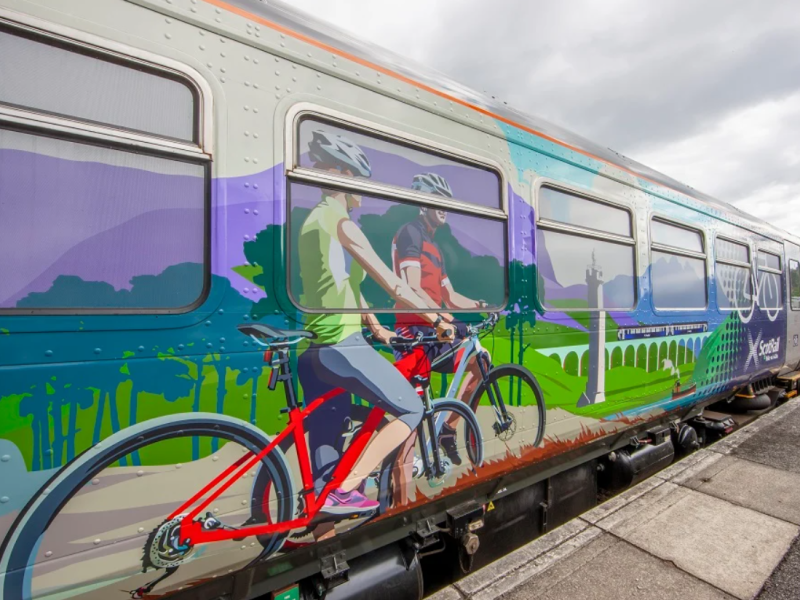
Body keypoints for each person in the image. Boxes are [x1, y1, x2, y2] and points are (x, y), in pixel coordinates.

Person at [295, 131, 455, 524]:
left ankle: (321, 512)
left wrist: (378, 329)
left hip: (314, 350)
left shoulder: (313, 222)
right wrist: (437, 320)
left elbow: (343, 285)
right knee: (409, 408)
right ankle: (347, 488)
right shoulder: (343, 224)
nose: (363, 191)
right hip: (341, 346)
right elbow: (394, 285)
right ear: (342, 177)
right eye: (359, 180)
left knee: (326, 452)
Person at [390, 173, 488, 503]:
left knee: (480, 362)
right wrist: (441, 319)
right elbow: (411, 288)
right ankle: (400, 493)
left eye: (447, 203)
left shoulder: (435, 246)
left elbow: (450, 295)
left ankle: (447, 428)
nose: (444, 208)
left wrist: (480, 306)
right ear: (424, 204)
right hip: (414, 328)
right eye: (438, 201)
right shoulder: (410, 233)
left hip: (434, 326)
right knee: (412, 413)